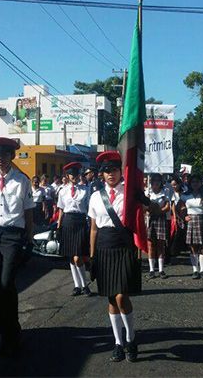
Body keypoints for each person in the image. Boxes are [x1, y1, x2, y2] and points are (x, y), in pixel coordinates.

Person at [0, 137, 35, 357]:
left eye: (4, 155)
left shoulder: (22, 181)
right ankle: (5, 336)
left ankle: (13, 332)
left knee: (6, 283)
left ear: (12, 156)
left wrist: (29, 240)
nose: (0, 159)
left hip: (12, 236)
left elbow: (28, 212)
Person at [88, 151, 142, 363]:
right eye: (106, 171)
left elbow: (143, 216)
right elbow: (93, 228)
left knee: (121, 295)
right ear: (101, 174)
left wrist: (143, 198)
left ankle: (131, 338)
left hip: (123, 246)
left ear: (121, 171)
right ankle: (118, 343)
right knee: (111, 298)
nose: (111, 174)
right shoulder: (95, 196)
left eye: (114, 170)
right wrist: (92, 256)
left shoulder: (130, 193)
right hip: (103, 247)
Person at [57, 162, 91, 296]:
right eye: (72, 174)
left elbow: (89, 208)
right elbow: (61, 210)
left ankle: (84, 285)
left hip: (80, 222)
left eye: (77, 174)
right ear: (68, 175)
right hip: (68, 222)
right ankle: (77, 285)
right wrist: (59, 227)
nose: (74, 177)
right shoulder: (63, 190)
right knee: (71, 257)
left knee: (78, 257)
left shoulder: (85, 190)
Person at [179, 174, 203, 280]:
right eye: (193, 182)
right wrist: (184, 216)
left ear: (201, 183)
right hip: (191, 221)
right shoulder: (185, 195)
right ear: (190, 183)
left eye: (197, 182)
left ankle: (202, 271)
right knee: (193, 247)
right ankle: (195, 270)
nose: (195, 184)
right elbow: (179, 207)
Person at [146, 173, 170, 279]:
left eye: (158, 181)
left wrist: (159, 211)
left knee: (161, 244)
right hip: (150, 219)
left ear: (161, 182)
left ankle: (161, 270)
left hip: (160, 218)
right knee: (151, 245)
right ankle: (151, 269)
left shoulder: (165, 192)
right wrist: (149, 208)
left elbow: (168, 207)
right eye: (154, 181)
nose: (156, 182)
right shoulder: (147, 192)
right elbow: (144, 206)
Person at [169, 176, 186, 258]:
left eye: (175, 185)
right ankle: (172, 250)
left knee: (181, 232)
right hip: (174, 215)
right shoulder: (171, 193)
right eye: (172, 185)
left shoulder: (183, 193)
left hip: (182, 214)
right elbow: (172, 206)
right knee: (174, 232)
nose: (173, 186)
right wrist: (175, 216)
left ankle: (179, 248)